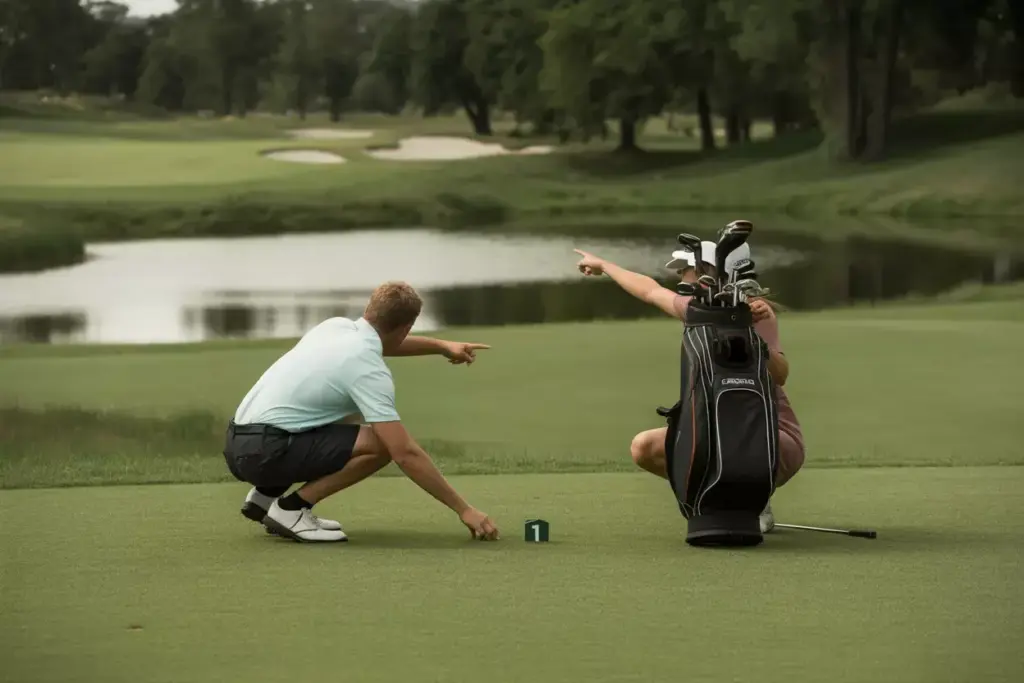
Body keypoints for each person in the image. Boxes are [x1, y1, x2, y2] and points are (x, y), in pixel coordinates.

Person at [222, 281, 500, 543]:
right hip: (264, 454)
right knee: (383, 444)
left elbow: (383, 341)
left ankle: (263, 500)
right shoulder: (368, 369)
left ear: (370, 309)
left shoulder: (336, 327)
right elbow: (404, 453)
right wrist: (464, 509)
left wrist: (441, 347)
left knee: (335, 415)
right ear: (407, 327)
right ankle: (291, 509)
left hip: (238, 444)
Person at [573, 242, 805, 533]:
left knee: (729, 447)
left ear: (711, 273)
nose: (682, 280)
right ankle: (713, 499)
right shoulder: (693, 310)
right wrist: (604, 265)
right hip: (714, 431)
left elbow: (781, 375)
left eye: (688, 272)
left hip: (771, 437)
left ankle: (754, 498)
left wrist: (747, 331)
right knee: (644, 447)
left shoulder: (757, 314)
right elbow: (649, 290)